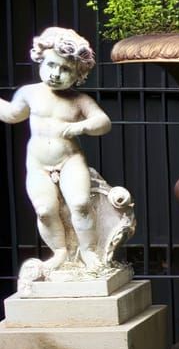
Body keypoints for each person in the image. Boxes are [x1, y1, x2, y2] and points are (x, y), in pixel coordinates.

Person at [0, 27, 111, 275]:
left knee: (81, 203)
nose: (55, 74)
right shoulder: (30, 93)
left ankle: (88, 251)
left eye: (65, 70)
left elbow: (103, 123)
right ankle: (59, 251)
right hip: (38, 164)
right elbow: (11, 114)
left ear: (78, 74)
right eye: (51, 65)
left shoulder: (79, 100)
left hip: (70, 160)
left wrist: (79, 127)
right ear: (41, 59)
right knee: (44, 210)